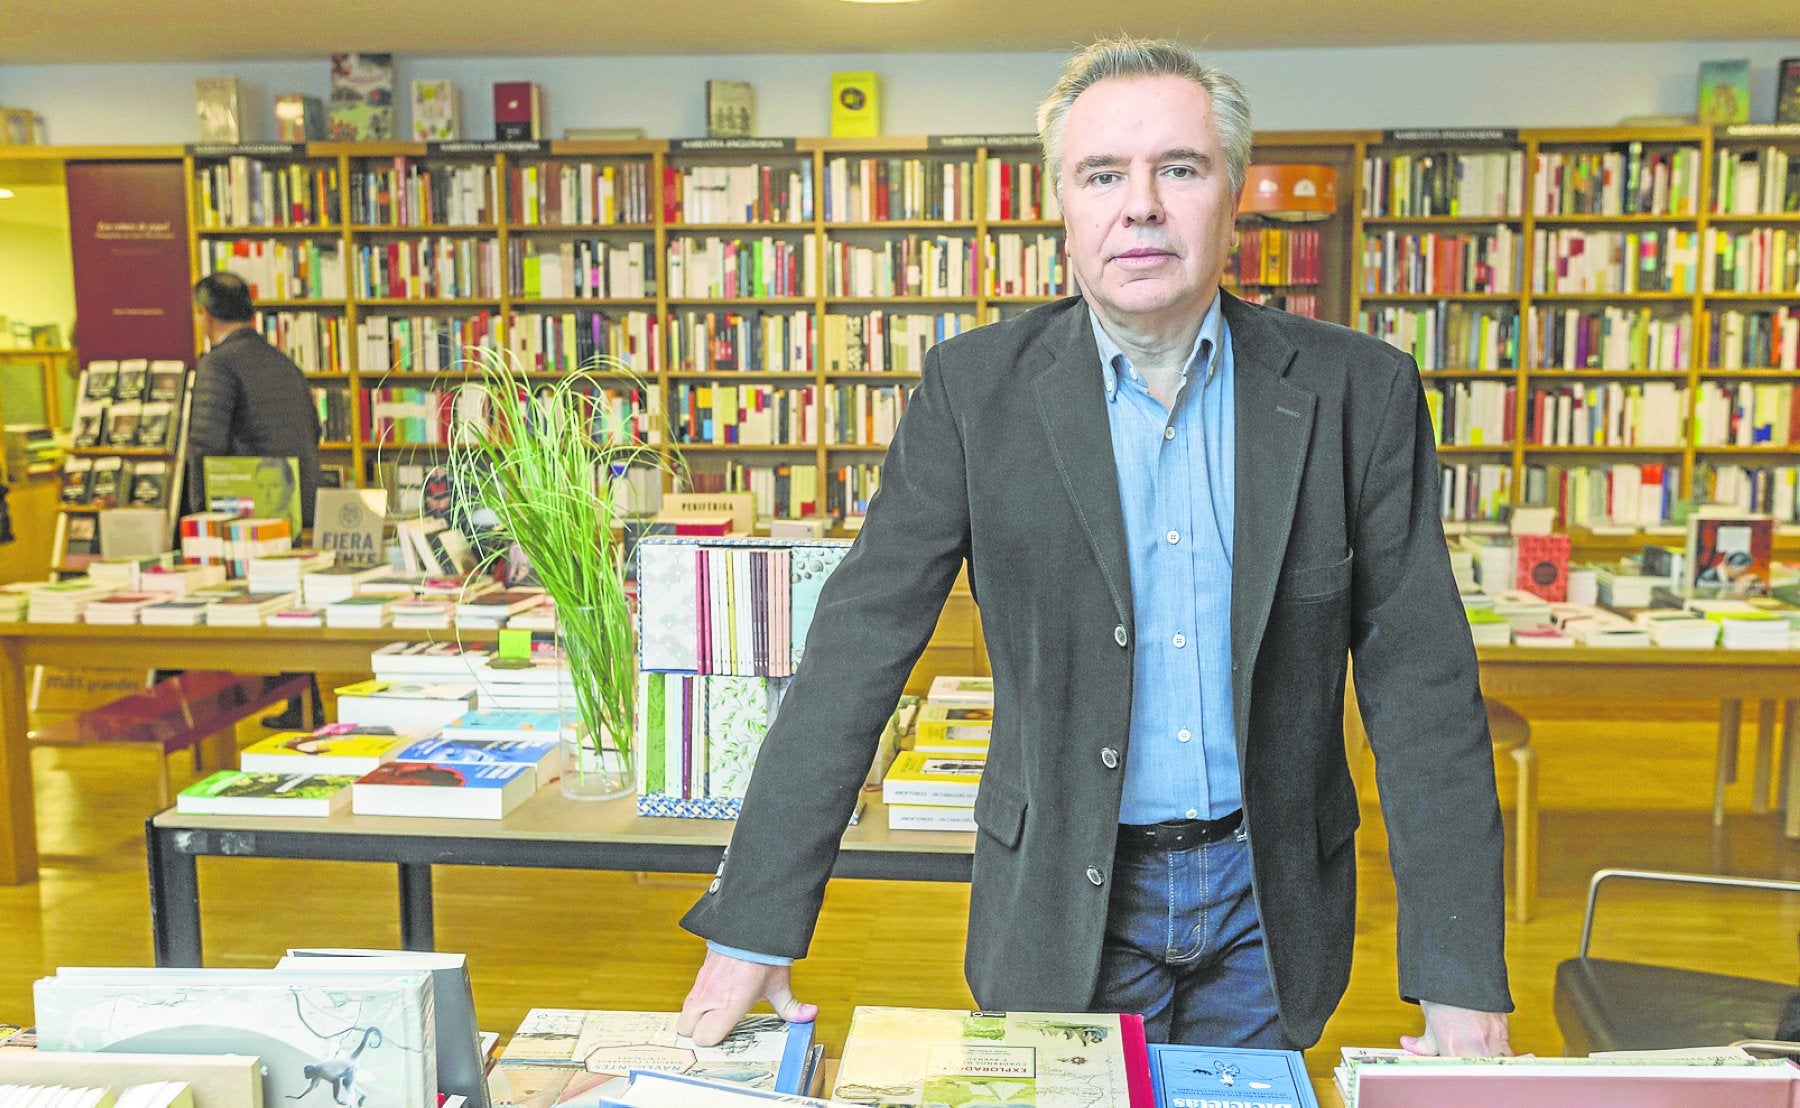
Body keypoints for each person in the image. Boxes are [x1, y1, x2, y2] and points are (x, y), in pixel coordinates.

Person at [676, 36, 1512, 1055]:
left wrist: (1461, 978)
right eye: (1104, 174)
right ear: (1063, 207)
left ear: (1233, 200)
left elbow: (1423, 685)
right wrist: (755, 920)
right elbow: (858, 649)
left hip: (1271, 905)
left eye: (1180, 169)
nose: (1142, 205)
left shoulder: (1359, 393)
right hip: (1059, 896)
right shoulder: (972, 393)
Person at [190, 271, 326, 727]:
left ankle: (235, 706)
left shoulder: (218, 365)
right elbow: (314, 429)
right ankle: (303, 702)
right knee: (291, 604)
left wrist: (198, 520)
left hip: (247, 510)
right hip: (295, 501)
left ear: (205, 316)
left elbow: (205, 445)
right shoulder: (282, 362)